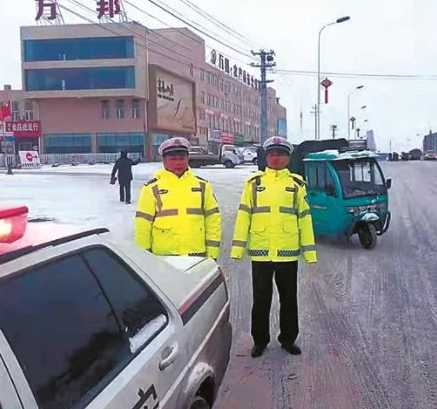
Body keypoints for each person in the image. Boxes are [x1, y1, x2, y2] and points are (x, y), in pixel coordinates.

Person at [230, 136, 317, 358]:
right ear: (266, 157)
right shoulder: (254, 184)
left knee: (289, 298)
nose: (276, 158)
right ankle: (260, 340)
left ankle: (288, 339)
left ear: (288, 158)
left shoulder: (296, 185)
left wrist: (309, 252)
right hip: (261, 251)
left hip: (287, 252)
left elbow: (304, 219)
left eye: (280, 154)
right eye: (272, 154)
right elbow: (243, 217)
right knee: (261, 299)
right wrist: (238, 248)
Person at [134, 137, 221, 258]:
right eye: (172, 159)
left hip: (197, 256)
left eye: (182, 158)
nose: (178, 162)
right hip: (164, 258)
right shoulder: (152, 188)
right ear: (164, 161)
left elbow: (213, 222)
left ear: (187, 159)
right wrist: (144, 257)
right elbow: (142, 225)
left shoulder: (202, 186)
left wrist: (212, 255)